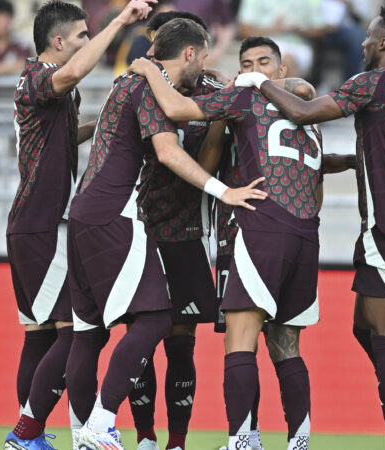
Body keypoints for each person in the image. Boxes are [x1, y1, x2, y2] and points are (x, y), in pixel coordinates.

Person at [236, 6, 385, 450]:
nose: (363, 43)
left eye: (369, 36)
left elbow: (306, 112)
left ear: (384, 43)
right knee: (364, 330)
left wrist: (258, 82)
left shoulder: (373, 81)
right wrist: (348, 161)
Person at [66, 18, 266, 450]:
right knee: (154, 319)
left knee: (88, 332)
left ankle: (73, 432)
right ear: (190, 52)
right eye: (205, 53)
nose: (208, 63)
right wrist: (223, 191)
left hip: (86, 212)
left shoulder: (132, 80)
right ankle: (106, 426)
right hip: (119, 215)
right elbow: (167, 148)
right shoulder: (147, 85)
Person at [127, 35, 332, 450]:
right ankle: (299, 443)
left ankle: (242, 441)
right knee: (286, 344)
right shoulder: (307, 114)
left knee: (239, 339)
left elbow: (177, 111)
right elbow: (318, 177)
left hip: (256, 229)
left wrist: (149, 69)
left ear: (282, 69)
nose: (254, 68)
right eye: (247, 63)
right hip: (306, 233)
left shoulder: (246, 100)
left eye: (263, 61)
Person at [2, 1, 155, 449]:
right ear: (58, 42)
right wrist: (121, 22)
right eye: (82, 36)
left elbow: (62, 135)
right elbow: (70, 75)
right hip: (44, 224)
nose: (88, 42)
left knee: (40, 335)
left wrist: (109, 124)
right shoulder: (39, 78)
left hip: (30, 223)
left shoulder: (53, 93)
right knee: (76, 332)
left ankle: (32, 437)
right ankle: (57, 433)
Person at [123, 12, 224, 450]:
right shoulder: (137, 89)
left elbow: (211, 160)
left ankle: (177, 442)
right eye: (202, 52)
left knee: (181, 344)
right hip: (140, 229)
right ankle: (145, 437)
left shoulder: (215, 95)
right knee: (141, 336)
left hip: (188, 233)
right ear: (191, 52)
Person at [236, 0, 328, 77]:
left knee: (287, 60)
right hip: (265, 45)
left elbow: (320, 30)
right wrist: (272, 29)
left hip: (299, 46)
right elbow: (243, 31)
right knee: (281, 60)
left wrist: (299, 29)